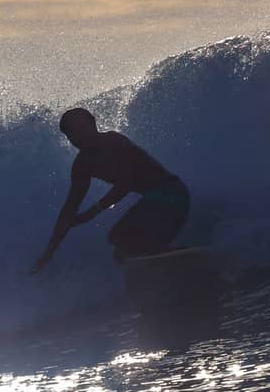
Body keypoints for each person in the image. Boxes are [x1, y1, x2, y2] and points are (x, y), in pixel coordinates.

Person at [30, 108, 191, 273]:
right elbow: (69, 209)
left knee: (120, 236)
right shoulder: (82, 165)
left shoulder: (113, 141)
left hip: (172, 194)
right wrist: (48, 254)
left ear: (94, 123)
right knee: (123, 253)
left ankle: (186, 262)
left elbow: (126, 183)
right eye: (73, 134)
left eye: (83, 128)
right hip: (158, 201)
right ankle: (166, 279)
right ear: (69, 139)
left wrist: (92, 212)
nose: (80, 136)